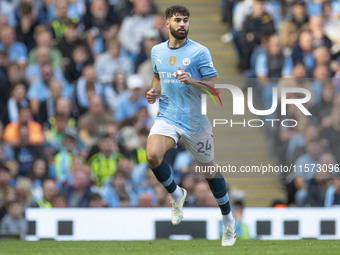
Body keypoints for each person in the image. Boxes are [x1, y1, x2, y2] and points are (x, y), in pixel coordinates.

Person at [145, 5, 235, 246]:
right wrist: (154, 91)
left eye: (185, 20)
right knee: (152, 155)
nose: (182, 24)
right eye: (178, 20)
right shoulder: (157, 51)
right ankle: (177, 195)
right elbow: (157, 75)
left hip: (195, 121)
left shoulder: (199, 52)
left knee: (209, 171)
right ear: (167, 23)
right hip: (168, 117)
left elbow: (214, 85)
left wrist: (191, 80)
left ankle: (228, 221)